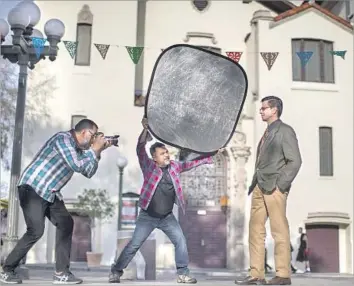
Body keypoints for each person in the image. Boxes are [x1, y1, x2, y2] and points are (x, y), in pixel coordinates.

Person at [109, 117, 221, 284]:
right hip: (148, 215)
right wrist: (145, 130)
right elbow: (140, 148)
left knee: (180, 240)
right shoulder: (149, 167)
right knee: (134, 244)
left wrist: (210, 156)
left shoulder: (175, 166)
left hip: (167, 217)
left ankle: (183, 273)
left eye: (167, 152)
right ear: (155, 158)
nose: (167, 155)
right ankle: (116, 271)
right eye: (162, 153)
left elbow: (191, 164)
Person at [0, 119, 111, 285]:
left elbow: (88, 171)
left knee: (66, 223)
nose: (94, 138)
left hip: (50, 192)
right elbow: (76, 164)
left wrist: (97, 152)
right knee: (36, 230)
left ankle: (61, 273)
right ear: (84, 133)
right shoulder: (63, 139)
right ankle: (7, 269)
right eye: (93, 134)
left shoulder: (80, 150)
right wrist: (94, 150)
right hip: (33, 187)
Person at [235, 96, 302, 285]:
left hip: (275, 188)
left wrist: (281, 185)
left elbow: (295, 161)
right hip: (259, 186)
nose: (260, 111)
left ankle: (283, 274)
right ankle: (256, 274)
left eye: (264, 108)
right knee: (255, 230)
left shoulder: (285, 131)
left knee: (278, 230)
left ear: (274, 110)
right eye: (261, 108)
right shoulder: (267, 133)